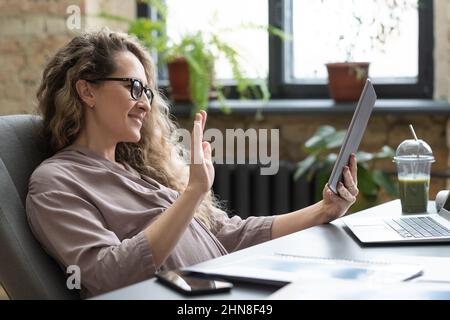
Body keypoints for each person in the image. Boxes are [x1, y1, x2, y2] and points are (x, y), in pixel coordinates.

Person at [26, 30, 359, 298]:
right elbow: (107, 276)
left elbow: (231, 234)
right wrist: (192, 193)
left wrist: (324, 211)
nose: (144, 103)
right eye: (134, 87)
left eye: (148, 93)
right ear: (87, 91)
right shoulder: (56, 182)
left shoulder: (140, 173)